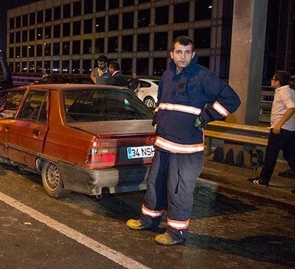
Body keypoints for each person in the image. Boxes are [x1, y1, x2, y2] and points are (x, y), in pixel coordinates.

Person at [126, 36, 240, 246]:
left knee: (178, 190)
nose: (183, 56)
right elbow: (163, 102)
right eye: (179, 52)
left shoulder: (204, 76)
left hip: (187, 149)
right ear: (172, 54)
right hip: (163, 143)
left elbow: (232, 100)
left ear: (193, 54)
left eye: (187, 52)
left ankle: (176, 233)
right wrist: (158, 116)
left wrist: (206, 116)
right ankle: (148, 220)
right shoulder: (168, 74)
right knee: (155, 184)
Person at [248, 71, 295, 186]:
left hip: (281, 129)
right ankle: (263, 179)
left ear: (278, 82)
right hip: (290, 129)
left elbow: (291, 108)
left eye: (273, 79)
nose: (271, 81)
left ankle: (263, 180)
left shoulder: (283, 91)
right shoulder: (291, 91)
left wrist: (278, 124)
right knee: (290, 155)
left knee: (271, 155)